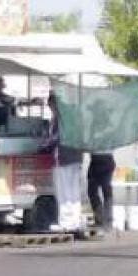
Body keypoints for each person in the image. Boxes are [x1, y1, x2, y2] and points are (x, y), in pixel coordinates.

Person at [43, 91, 84, 232]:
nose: (51, 109)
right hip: (76, 157)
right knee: (74, 190)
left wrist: (44, 145)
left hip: (62, 157)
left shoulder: (60, 119)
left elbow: (55, 138)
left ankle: (66, 222)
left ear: (54, 104)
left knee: (63, 190)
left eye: (50, 106)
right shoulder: (74, 116)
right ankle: (75, 220)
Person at [87, 151, 116, 232]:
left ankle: (106, 220)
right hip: (97, 161)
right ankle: (102, 219)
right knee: (93, 191)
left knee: (104, 190)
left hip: (104, 160)